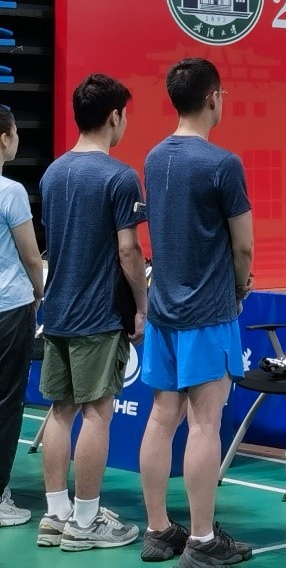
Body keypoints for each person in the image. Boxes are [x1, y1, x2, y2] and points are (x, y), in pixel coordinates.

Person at [138, 59, 254, 567]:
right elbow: (243, 246)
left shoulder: (153, 157)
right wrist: (241, 287)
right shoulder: (222, 164)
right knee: (205, 424)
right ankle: (203, 540)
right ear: (212, 98)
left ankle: (157, 530)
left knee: (162, 418)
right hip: (208, 312)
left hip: (163, 311)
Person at [38, 74, 147, 551]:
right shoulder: (120, 177)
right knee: (97, 415)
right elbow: (128, 250)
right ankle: (85, 522)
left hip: (57, 312)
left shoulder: (52, 174)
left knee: (60, 411)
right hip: (98, 316)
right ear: (114, 116)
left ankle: (55, 515)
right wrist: (141, 305)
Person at [0, 107, 43, 529]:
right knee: (7, 403)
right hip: (9, 311)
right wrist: (39, 290)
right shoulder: (10, 191)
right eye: (14, 132)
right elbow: (31, 256)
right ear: (4, 138)